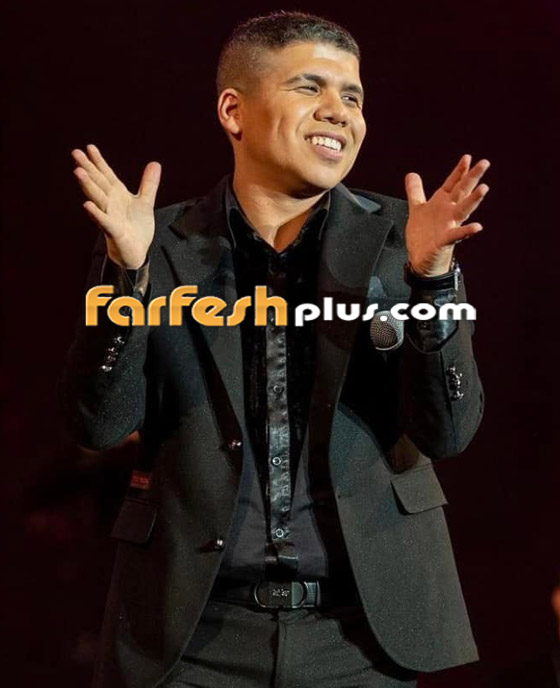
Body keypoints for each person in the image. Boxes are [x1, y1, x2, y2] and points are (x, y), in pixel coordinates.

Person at [63, 11, 490, 688]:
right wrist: (128, 277)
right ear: (234, 111)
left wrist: (432, 282)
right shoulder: (154, 242)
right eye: (310, 87)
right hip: (192, 637)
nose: (339, 111)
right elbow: (99, 424)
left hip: (360, 639)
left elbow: (448, 431)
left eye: (352, 96)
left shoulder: (406, 240)